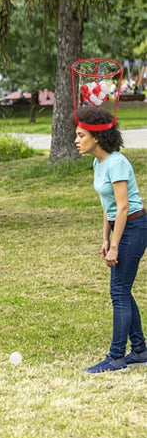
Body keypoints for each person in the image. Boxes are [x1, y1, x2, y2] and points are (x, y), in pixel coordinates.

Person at [74, 106, 147, 373]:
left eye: (81, 135)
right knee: (123, 290)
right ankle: (139, 350)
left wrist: (115, 245)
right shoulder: (99, 162)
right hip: (119, 227)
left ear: (96, 137)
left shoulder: (116, 162)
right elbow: (108, 206)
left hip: (135, 226)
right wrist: (105, 238)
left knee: (118, 292)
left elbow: (124, 207)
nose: (77, 140)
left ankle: (116, 358)